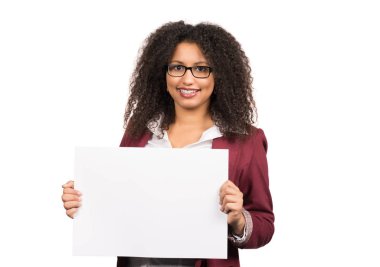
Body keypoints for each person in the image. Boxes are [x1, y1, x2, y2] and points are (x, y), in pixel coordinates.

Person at [61, 20, 274, 267]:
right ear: (163, 72)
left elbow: (264, 225)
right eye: (177, 67)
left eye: (201, 69)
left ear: (220, 75)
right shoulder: (139, 132)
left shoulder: (246, 141)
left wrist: (237, 218)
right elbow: (120, 205)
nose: (187, 79)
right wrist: (86, 201)